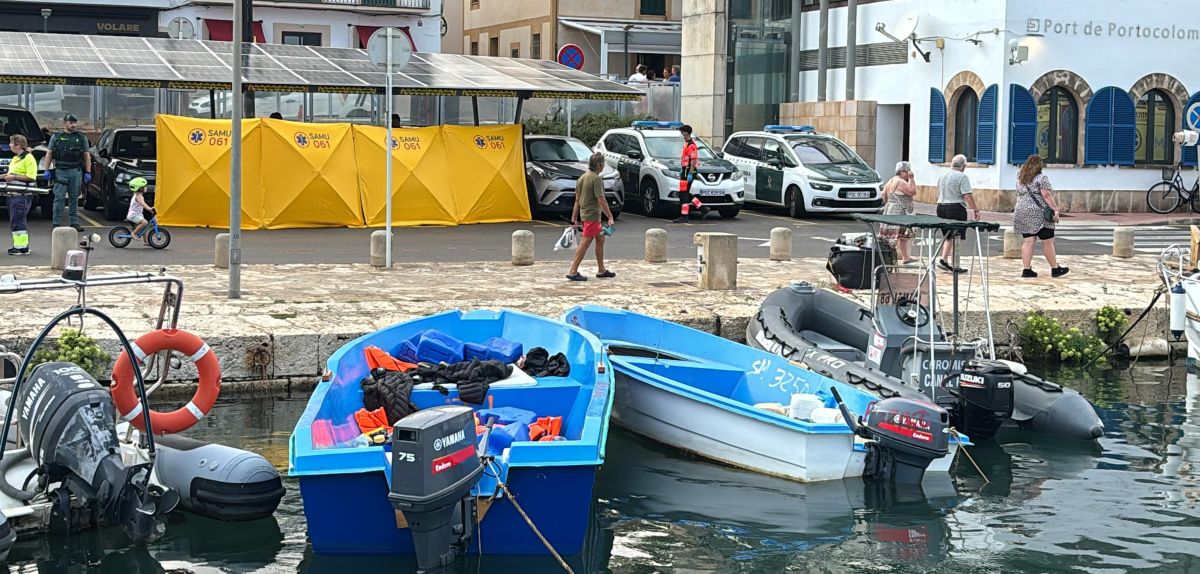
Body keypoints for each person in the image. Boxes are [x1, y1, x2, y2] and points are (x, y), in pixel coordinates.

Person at [1013, 155, 1068, 278]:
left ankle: (1026, 270)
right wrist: (1055, 209)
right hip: (1039, 213)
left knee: (1028, 240)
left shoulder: (1020, 177)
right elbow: (1046, 195)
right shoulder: (1041, 178)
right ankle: (1055, 268)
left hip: (1022, 211)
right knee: (1047, 241)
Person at [566, 153, 616, 281]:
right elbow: (601, 200)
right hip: (592, 216)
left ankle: (601, 269)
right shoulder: (596, 179)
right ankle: (573, 271)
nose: (604, 166)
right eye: (603, 164)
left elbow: (577, 201)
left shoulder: (581, 178)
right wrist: (610, 217)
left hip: (585, 215)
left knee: (600, 239)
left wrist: (574, 218)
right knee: (585, 243)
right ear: (599, 165)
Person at [43, 113, 91, 232]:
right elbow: (49, 153)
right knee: (59, 198)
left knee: (74, 197)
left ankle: (74, 222)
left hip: (75, 171)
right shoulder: (57, 137)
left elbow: (86, 155)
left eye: (75, 123)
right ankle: (56, 222)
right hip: (61, 171)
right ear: (65, 123)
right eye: (71, 123)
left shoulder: (81, 137)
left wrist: (88, 172)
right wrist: (46, 169)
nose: (73, 125)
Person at [935, 154, 978, 274]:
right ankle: (955, 264)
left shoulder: (942, 176)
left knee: (948, 236)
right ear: (964, 166)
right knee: (958, 237)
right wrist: (975, 209)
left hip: (941, 207)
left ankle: (944, 260)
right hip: (955, 207)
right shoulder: (962, 177)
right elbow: (967, 196)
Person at [879, 161, 917, 264]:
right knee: (901, 235)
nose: (909, 174)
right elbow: (912, 192)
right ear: (902, 171)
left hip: (890, 209)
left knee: (895, 236)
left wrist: (889, 203)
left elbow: (883, 195)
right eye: (907, 171)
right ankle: (902, 257)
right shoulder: (901, 182)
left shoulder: (891, 181)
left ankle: (904, 257)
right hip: (900, 210)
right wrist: (912, 179)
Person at [4, 134, 37, 256]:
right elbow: (12, 173)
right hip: (13, 193)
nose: (9, 145)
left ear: (18, 145)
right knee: (15, 220)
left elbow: (30, 177)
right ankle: (21, 246)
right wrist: (4, 176)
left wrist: (13, 177)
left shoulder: (28, 158)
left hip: (22, 194)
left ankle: (21, 247)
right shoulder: (16, 158)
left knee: (18, 220)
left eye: (11, 143)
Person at [674, 124, 704, 224]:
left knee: (683, 194)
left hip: (688, 171)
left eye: (682, 132)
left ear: (686, 132)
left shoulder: (691, 145)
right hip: (685, 170)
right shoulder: (686, 143)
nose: (681, 134)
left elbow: (693, 160)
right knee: (684, 193)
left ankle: (684, 216)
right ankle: (702, 208)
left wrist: (690, 172)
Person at [126, 177, 153, 245]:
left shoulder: (138, 194)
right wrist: (149, 209)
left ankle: (146, 242)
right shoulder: (138, 196)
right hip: (134, 215)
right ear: (140, 188)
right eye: (145, 186)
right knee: (145, 223)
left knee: (145, 227)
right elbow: (143, 204)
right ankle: (134, 233)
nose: (146, 188)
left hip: (137, 214)